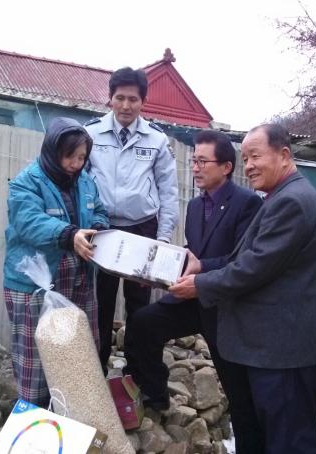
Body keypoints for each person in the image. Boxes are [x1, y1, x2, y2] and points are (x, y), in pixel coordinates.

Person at [170, 123, 316, 454]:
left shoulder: (291, 201)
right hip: (278, 346)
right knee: (276, 434)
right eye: (246, 158)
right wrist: (203, 267)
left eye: (256, 156)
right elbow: (253, 258)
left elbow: (254, 268)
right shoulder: (282, 196)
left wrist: (201, 285)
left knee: (290, 441)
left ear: (284, 155)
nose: (249, 166)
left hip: (286, 348)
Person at [123, 129, 264, 451]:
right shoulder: (196, 206)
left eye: (203, 161)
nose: (196, 168)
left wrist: (201, 271)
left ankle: (250, 444)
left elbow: (242, 259)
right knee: (143, 322)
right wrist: (159, 273)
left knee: (237, 388)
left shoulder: (247, 204)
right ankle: (155, 395)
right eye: (194, 161)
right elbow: (192, 254)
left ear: (226, 167)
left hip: (225, 303)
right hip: (191, 298)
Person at [3, 117, 109, 407]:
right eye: (70, 156)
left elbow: (99, 211)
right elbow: (29, 222)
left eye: (82, 157)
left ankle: (76, 412)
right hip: (36, 285)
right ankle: (35, 416)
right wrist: (69, 234)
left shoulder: (85, 182)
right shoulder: (26, 182)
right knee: (36, 356)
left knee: (79, 350)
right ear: (52, 151)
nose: (76, 164)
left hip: (79, 278)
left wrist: (98, 226)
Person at [85, 66, 179, 372]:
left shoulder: (157, 140)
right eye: (120, 98)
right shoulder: (90, 134)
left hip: (142, 229)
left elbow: (168, 192)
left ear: (143, 102)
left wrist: (162, 239)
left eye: (133, 99)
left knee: (139, 305)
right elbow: (79, 182)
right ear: (110, 98)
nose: (126, 105)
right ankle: (96, 371)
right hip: (102, 229)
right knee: (100, 303)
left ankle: (138, 372)